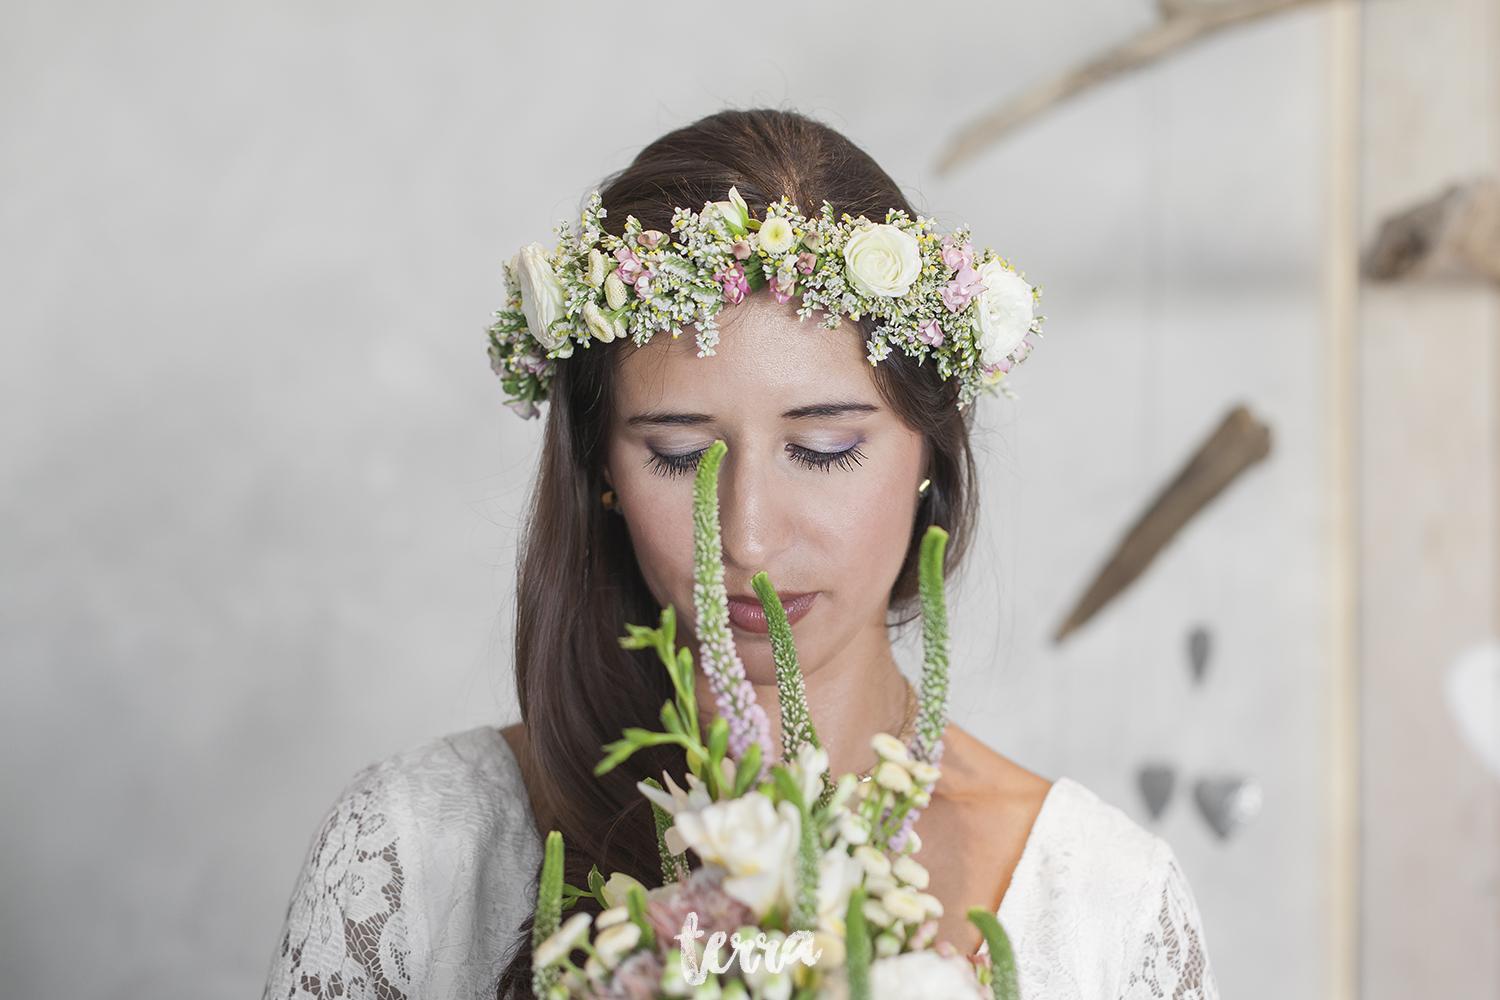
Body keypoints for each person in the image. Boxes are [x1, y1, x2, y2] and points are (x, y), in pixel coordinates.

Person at [262, 109, 1218, 1000]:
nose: (750, 537)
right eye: (680, 456)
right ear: (600, 469)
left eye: (825, 448)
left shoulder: (1101, 905)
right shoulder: (414, 855)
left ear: (932, 444)